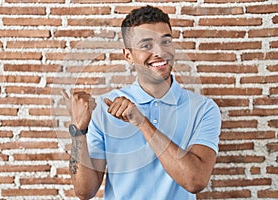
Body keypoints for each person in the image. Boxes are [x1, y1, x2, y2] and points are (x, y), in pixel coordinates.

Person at [61, 5, 221, 200]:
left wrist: (142, 123)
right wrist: (78, 131)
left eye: (166, 41)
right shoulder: (105, 106)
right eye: (146, 45)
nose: (160, 52)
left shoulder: (203, 109)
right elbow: (85, 191)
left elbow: (195, 181)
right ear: (128, 55)